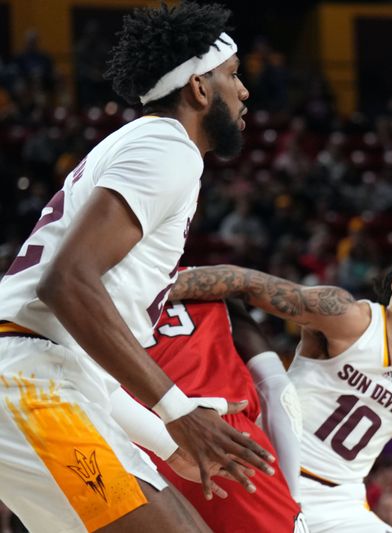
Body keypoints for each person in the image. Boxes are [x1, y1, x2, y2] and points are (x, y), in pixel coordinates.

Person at [0, 3, 272, 531]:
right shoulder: (167, 147)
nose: (244, 92)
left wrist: (165, 440)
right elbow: (66, 283)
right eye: (233, 75)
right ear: (198, 88)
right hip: (29, 382)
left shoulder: (145, 146)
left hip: (46, 378)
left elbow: (75, 356)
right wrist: (178, 411)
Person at [168, 189, 392, 532]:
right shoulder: (349, 318)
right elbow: (245, 282)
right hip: (274, 476)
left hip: (344, 507)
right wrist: (156, 288)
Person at [144, 296, 307, 532]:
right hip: (222, 435)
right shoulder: (213, 284)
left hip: (133, 437)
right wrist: (293, 494)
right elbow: (277, 389)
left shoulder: (88, 285)